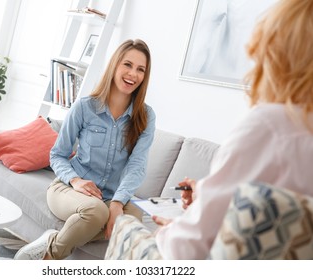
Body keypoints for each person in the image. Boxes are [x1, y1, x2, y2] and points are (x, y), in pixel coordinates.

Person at [105, 0, 313, 260]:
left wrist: (172, 229)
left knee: (125, 227)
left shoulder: (271, 125)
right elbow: (267, 215)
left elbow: (190, 247)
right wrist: (206, 193)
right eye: (127, 65)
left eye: (140, 69)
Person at [14, 39, 156, 260]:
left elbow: (136, 166)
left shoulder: (146, 117)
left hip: (110, 195)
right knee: (96, 212)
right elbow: (58, 154)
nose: (133, 74)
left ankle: (53, 240)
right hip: (68, 188)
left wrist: (118, 202)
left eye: (140, 69)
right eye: (127, 65)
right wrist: (76, 181)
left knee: (133, 218)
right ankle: (48, 258)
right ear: (115, 65)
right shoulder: (84, 107)